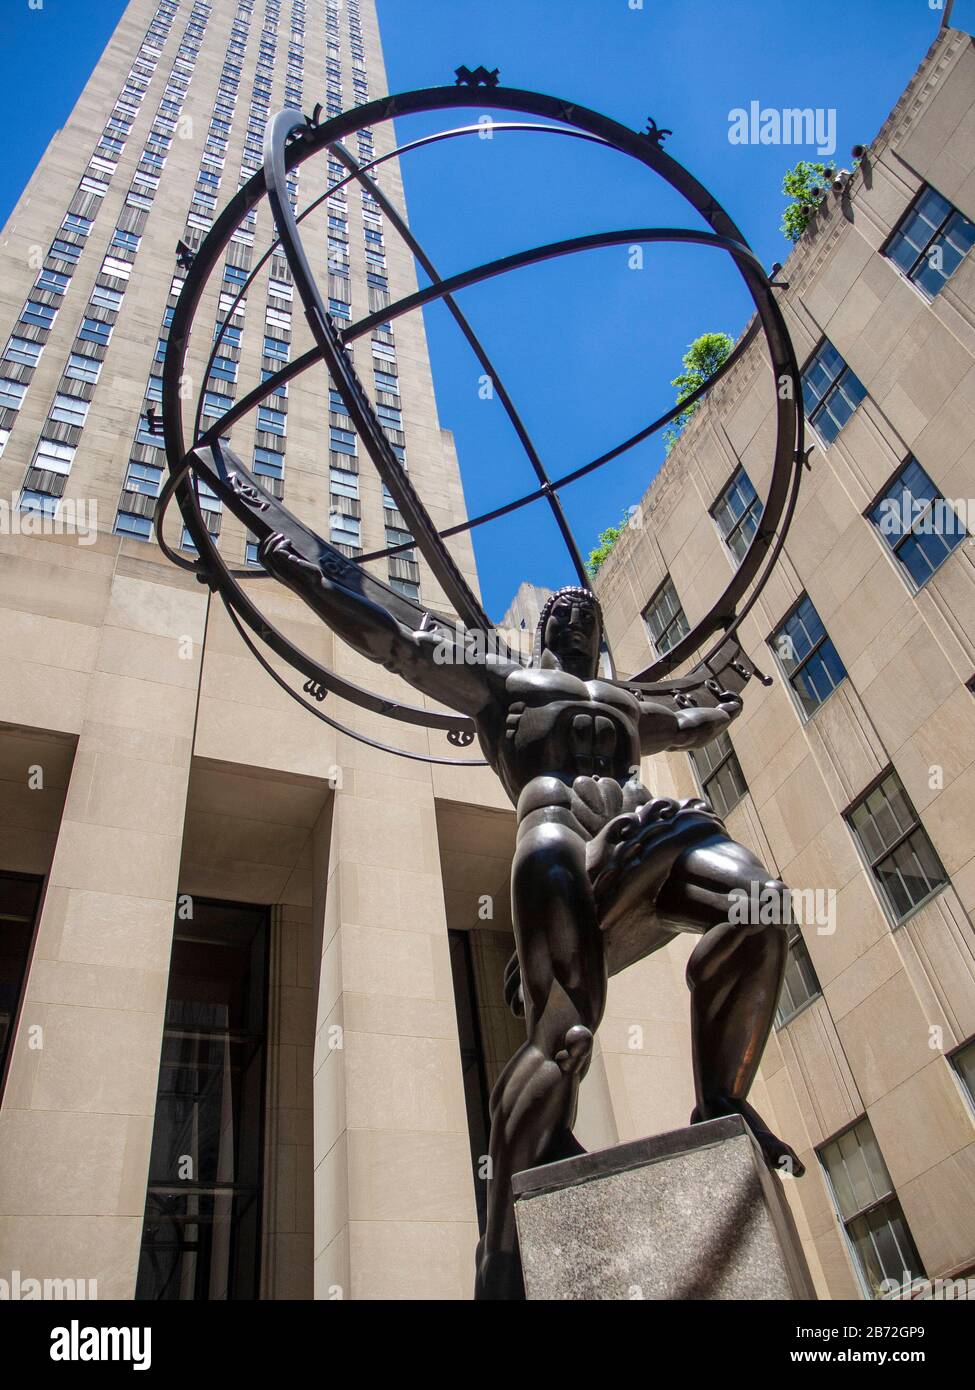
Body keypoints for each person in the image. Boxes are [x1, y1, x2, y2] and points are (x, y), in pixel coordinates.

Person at [259, 535, 803, 1300]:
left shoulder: (627, 703)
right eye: (565, 620)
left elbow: (696, 717)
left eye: (589, 622)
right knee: (567, 1034)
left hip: (645, 837)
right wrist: (309, 576)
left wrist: (730, 693)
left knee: (762, 906)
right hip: (557, 842)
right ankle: (502, 1253)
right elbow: (399, 643)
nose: (578, 628)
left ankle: (719, 1100)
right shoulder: (501, 679)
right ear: (544, 634)